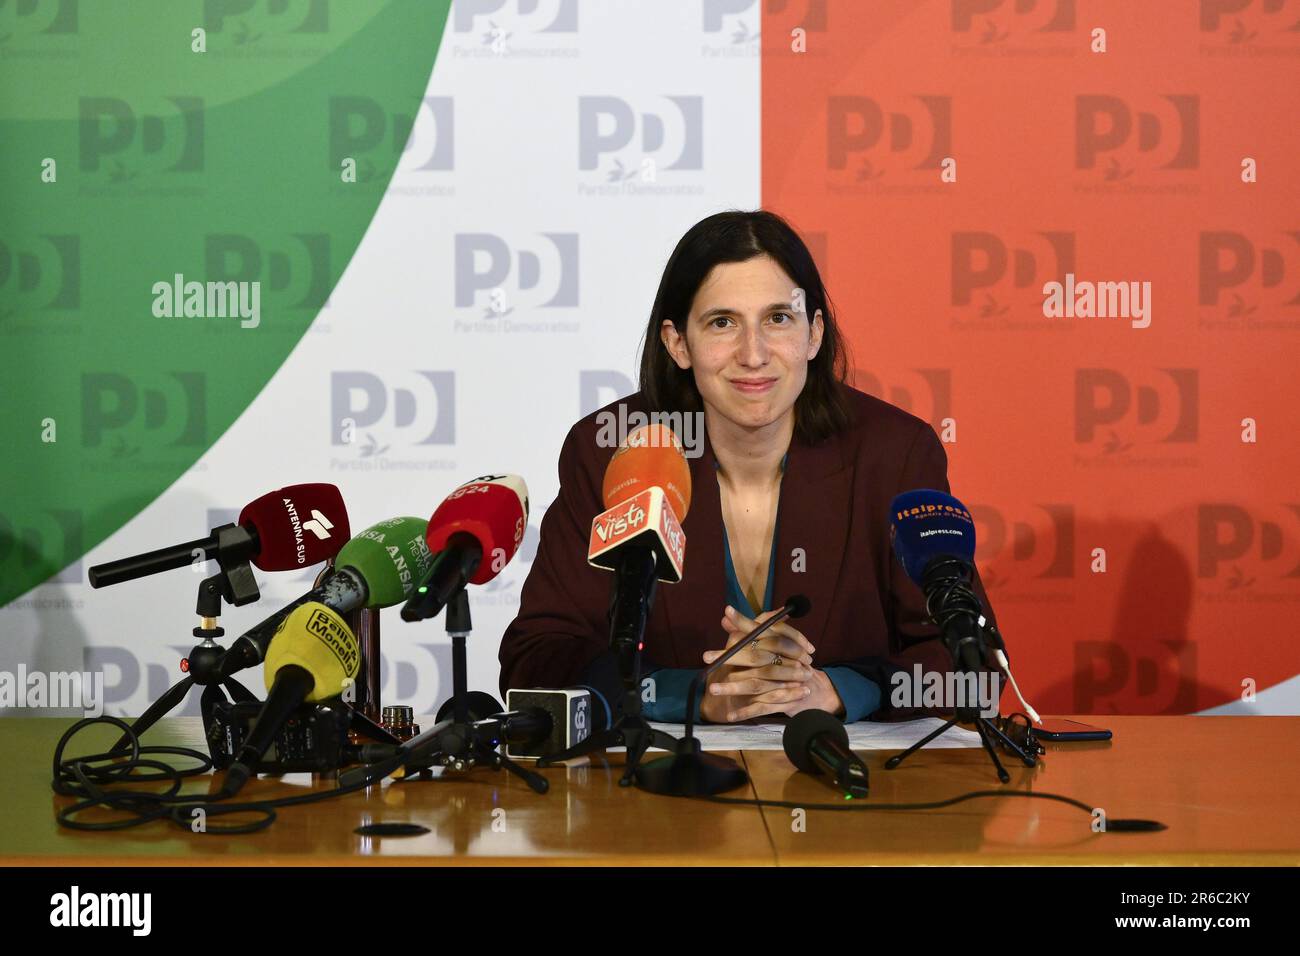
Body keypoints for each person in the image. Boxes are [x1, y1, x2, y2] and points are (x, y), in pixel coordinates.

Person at [499, 209, 1000, 725]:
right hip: (666, 793)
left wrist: (836, 690)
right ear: (678, 344)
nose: (753, 354)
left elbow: (974, 670)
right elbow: (534, 663)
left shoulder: (893, 453)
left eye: (778, 319)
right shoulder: (611, 450)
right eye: (722, 323)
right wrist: (694, 694)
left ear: (814, 334)